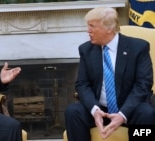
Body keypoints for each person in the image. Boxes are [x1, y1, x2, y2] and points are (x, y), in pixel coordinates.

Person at [64, 7, 155, 141]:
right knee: (73, 112)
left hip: (130, 108)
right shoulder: (86, 50)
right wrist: (95, 111)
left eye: (92, 26)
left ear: (109, 28)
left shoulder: (138, 47)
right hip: (100, 109)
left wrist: (122, 114)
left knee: (147, 113)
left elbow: (143, 85)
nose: (88, 30)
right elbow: (82, 84)